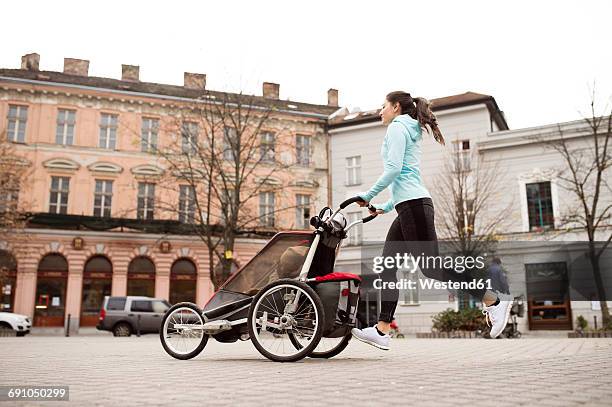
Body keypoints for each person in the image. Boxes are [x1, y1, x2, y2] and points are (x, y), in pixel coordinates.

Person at [350, 91, 513, 350]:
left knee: (431, 268)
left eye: (383, 106)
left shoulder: (396, 128)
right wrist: (384, 206)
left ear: (395, 107)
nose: (380, 111)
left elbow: (393, 170)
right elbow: (407, 176)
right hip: (409, 206)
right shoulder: (408, 129)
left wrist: (367, 195)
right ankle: (382, 329)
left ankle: (493, 300)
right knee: (387, 266)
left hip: (414, 207)